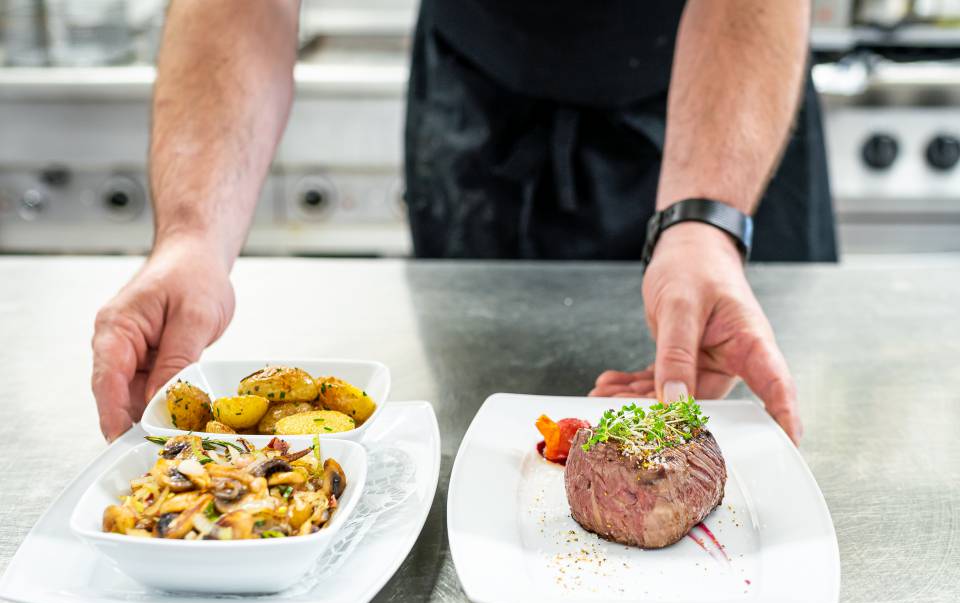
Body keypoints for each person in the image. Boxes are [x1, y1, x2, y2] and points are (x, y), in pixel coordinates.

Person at [92, 0, 834, 444]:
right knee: (483, 442)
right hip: (483, 101)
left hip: (726, 101)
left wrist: (703, 220)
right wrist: (193, 236)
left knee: (740, 445)